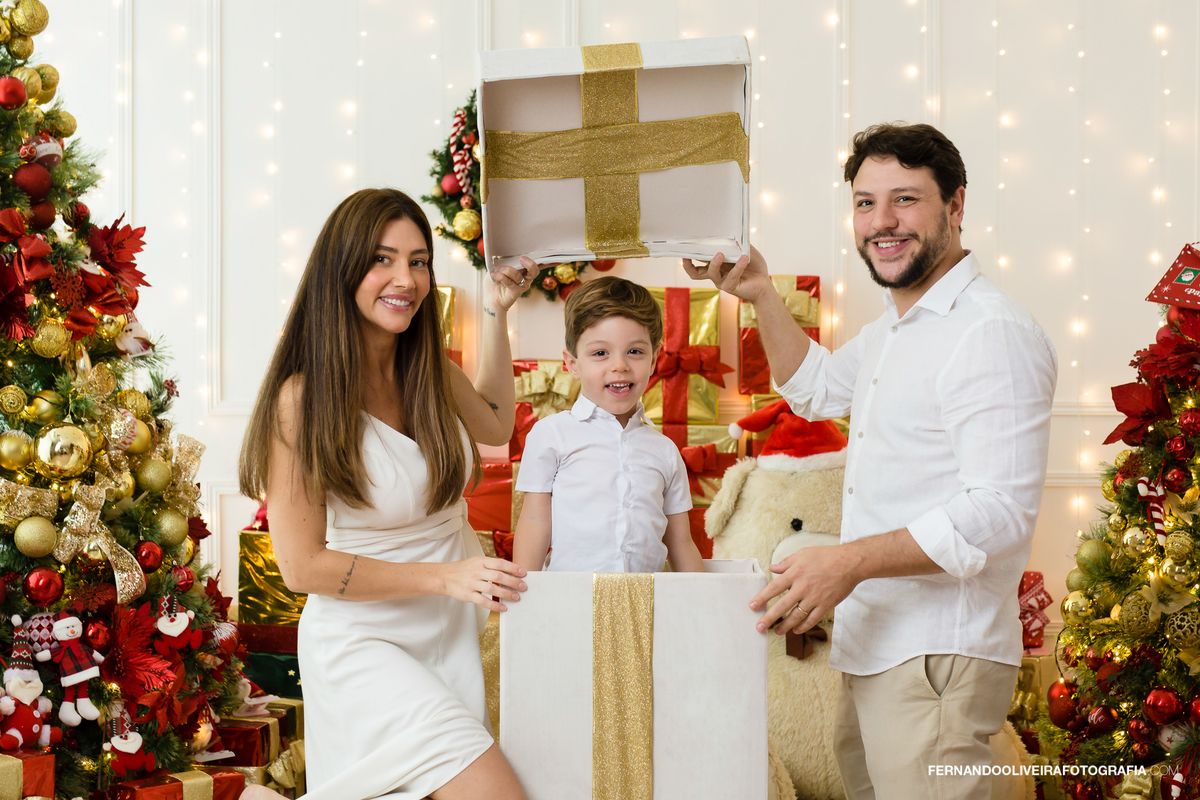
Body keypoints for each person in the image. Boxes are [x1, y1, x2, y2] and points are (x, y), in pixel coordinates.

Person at [684, 123, 1057, 799]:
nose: (881, 222)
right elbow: (816, 388)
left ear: (956, 205)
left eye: (905, 200)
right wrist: (762, 293)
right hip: (878, 645)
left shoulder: (989, 331)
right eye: (864, 202)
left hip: (936, 654)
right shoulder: (895, 327)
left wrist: (848, 562)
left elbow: (997, 513)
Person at [238, 188, 533, 800]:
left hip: (447, 631)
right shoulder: (303, 401)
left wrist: (499, 311)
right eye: (383, 259)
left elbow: (498, 424)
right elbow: (300, 566)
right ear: (342, 269)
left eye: (419, 261)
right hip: (363, 644)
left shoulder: (426, 368)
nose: (406, 278)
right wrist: (447, 578)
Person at [512, 276, 704, 574]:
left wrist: (700, 611)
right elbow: (535, 523)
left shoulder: (665, 451)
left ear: (654, 361)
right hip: (570, 603)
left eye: (635, 352)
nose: (619, 366)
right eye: (600, 353)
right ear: (573, 364)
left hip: (647, 608)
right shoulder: (552, 435)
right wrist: (524, 603)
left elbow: (681, 543)